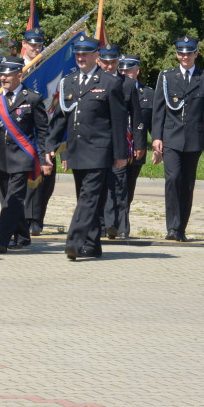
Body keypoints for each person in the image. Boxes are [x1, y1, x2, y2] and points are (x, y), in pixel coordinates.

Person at [46, 33, 128, 260]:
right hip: (77, 149)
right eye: (78, 54)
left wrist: (120, 154)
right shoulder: (69, 82)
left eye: (85, 54)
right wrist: (51, 144)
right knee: (91, 198)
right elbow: (60, 117)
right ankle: (92, 245)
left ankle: (74, 242)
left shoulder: (110, 82)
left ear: (96, 55)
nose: (80, 58)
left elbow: (118, 121)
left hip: (99, 150)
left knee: (87, 198)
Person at [0, 59, 52, 253]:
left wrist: (44, 159)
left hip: (22, 156)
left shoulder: (32, 98)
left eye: (8, 75)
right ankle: (23, 235)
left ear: (19, 76)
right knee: (8, 198)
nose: (3, 78)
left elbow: (42, 131)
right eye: (2, 74)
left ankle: (2, 240)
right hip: (1, 157)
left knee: (13, 199)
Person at [151, 35, 203, 242]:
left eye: (189, 53)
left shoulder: (201, 78)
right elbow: (158, 109)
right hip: (171, 137)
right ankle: (172, 227)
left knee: (187, 183)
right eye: (181, 53)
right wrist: (156, 137)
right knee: (173, 179)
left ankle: (181, 228)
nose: (185, 57)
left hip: (194, 139)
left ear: (196, 54)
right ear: (176, 54)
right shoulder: (167, 77)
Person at [97, 44, 146, 241]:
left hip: (120, 144)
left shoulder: (127, 84)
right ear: (99, 61)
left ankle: (119, 226)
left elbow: (137, 116)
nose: (109, 66)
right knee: (99, 186)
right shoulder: (93, 82)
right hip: (98, 144)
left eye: (113, 62)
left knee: (119, 186)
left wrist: (140, 144)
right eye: (105, 62)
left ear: (118, 62)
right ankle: (101, 225)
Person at [21, 28, 53, 236]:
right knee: (22, 179)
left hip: (44, 130)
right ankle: (24, 219)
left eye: (39, 44)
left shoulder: (48, 68)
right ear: (24, 45)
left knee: (46, 180)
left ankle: (37, 219)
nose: (36, 48)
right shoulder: (16, 68)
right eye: (32, 44)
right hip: (21, 131)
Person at [119, 53, 153, 226]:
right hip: (117, 147)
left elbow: (153, 123)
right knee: (116, 186)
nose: (125, 73)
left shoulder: (148, 94)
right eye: (122, 70)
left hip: (136, 149)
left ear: (137, 71)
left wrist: (158, 144)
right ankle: (117, 224)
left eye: (129, 70)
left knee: (129, 188)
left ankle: (122, 221)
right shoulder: (114, 89)